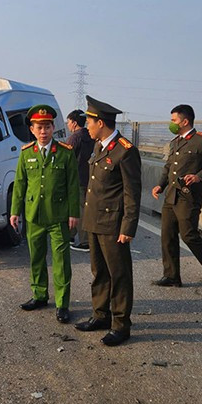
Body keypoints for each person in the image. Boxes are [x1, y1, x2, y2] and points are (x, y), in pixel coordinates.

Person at [74, 95, 141, 346]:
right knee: (99, 271)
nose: (86, 127)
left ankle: (121, 325)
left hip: (113, 225)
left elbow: (131, 193)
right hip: (94, 221)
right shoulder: (99, 145)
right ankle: (100, 315)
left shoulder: (125, 151)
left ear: (100, 122)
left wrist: (128, 227)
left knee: (119, 274)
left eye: (89, 122)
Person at [10, 104, 80, 324]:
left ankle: (62, 303)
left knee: (61, 261)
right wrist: (15, 211)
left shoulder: (65, 153)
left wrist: (73, 213)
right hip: (34, 216)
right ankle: (39, 295)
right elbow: (20, 184)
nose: (43, 131)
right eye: (39, 127)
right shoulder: (26, 153)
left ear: (52, 128)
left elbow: (72, 185)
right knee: (36, 258)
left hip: (58, 216)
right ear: (32, 129)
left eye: (47, 126)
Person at [151, 104, 202, 287]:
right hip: (171, 195)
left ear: (185, 121)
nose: (171, 124)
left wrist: (199, 177)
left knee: (189, 235)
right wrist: (160, 185)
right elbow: (169, 166)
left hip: (188, 196)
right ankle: (171, 276)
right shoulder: (176, 142)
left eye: (174, 120)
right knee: (167, 235)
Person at [65, 109, 95, 252]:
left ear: (74, 123)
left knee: (78, 209)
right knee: (82, 207)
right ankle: (70, 235)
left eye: (68, 122)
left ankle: (85, 241)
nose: (67, 124)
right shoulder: (91, 135)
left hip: (76, 178)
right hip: (89, 176)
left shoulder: (74, 138)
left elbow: (66, 158)